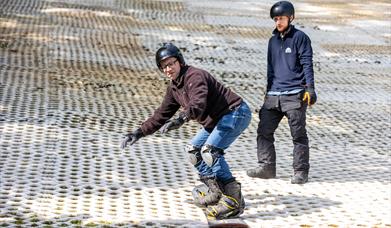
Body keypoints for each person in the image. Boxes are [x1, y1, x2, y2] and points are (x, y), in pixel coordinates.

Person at [120, 43, 252, 219]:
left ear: (179, 61)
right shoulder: (174, 87)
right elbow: (161, 113)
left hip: (235, 113)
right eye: (164, 66)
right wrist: (138, 133)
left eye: (171, 63)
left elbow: (198, 103)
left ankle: (233, 200)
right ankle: (216, 190)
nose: (168, 69)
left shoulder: (195, 76)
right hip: (216, 120)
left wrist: (182, 119)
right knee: (193, 150)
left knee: (210, 151)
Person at [247, 1, 317, 184]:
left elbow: (307, 63)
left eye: (281, 18)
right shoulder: (272, 41)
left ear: (291, 18)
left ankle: (301, 171)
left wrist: (310, 88)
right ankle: (266, 167)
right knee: (263, 131)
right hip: (274, 95)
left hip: (295, 94)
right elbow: (270, 69)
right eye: (276, 19)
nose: (278, 22)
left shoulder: (300, 38)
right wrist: (267, 93)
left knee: (298, 135)